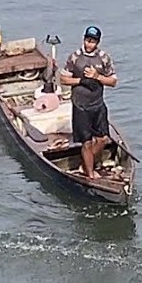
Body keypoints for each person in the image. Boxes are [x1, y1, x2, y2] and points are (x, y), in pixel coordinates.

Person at [58, 25, 118, 179]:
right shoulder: (75, 57)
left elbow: (112, 81)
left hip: (97, 104)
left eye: (92, 41)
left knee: (103, 139)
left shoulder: (104, 58)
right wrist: (82, 80)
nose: (89, 44)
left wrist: (97, 77)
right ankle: (90, 175)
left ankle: (85, 166)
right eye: (87, 40)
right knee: (86, 142)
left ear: (98, 42)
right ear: (83, 39)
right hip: (80, 106)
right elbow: (63, 79)